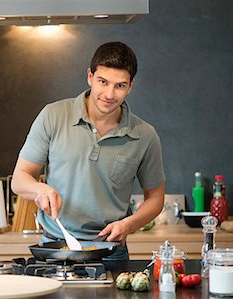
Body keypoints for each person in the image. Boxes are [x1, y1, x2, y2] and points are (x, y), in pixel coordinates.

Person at [11, 41, 165, 260]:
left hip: (111, 251)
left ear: (130, 86)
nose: (110, 94)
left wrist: (129, 224)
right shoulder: (53, 116)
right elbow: (19, 179)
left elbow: (156, 198)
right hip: (56, 248)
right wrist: (39, 189)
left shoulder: (145, 135)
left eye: (120, 85)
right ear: (90, 77)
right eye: (103, 81)